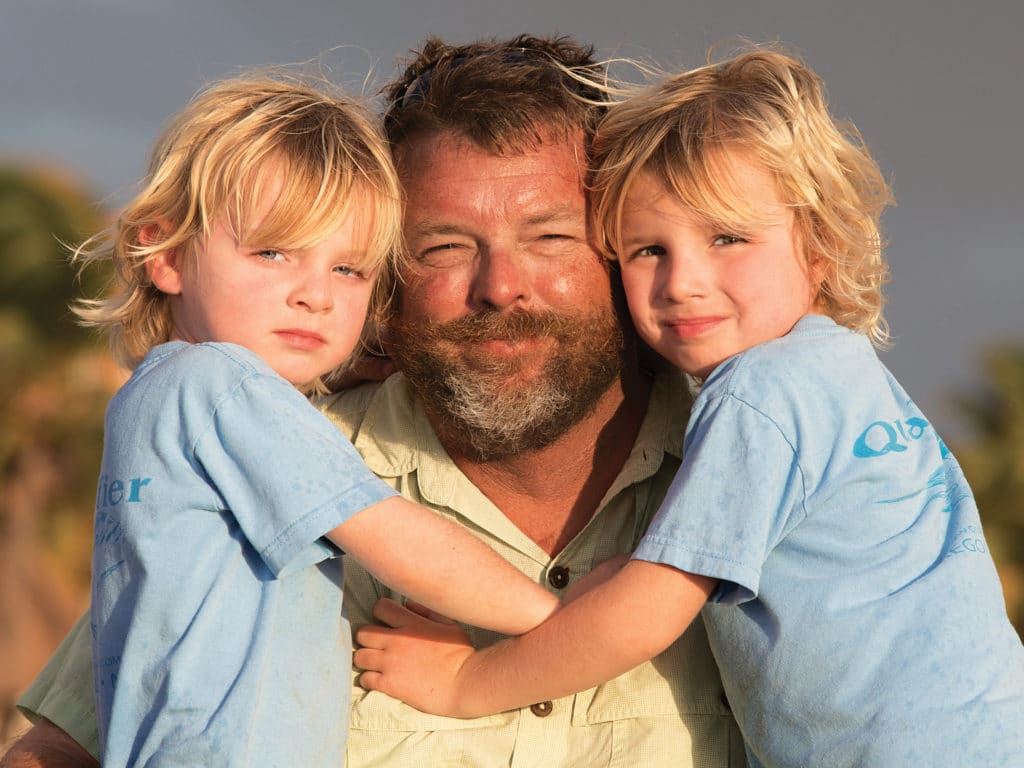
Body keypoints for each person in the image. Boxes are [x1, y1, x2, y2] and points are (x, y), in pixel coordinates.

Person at [2, 36, 744, 768]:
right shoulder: (255, 461)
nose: (500, 286)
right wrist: (584, 627)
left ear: (624, 250)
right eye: (444, 247)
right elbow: (61, 746)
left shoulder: (753, 467)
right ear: (396, 284)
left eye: (550, 235)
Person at [354, 50, 1024, 767]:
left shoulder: (757, 399)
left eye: (728, 237)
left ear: (821, 245)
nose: (685, 282)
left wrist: (466, 682)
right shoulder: (845, 379)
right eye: (649, 249)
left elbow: (648, 605)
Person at [69, 73, 561, 767]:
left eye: (351, 271)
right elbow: (397, 540)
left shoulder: (155, 395)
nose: (315, 297)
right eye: (273, 252)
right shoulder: (222, 386)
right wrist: (555, 621)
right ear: (167, 253)